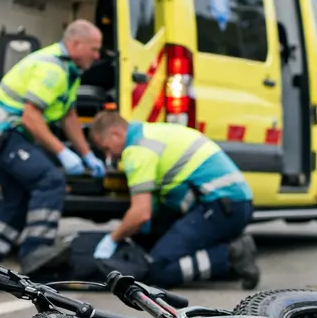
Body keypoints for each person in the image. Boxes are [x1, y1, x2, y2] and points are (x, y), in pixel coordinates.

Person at [0, 20, 106, 299]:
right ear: (75, 44)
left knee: (16, 200)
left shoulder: (69, 71)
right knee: (50, 180)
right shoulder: (52, 68)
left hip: (4, 135)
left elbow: (68, 116)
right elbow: (31, 117)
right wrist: (62, 152)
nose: (97, 55)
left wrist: (86, 154)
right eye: (94, 49)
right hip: (3, 132)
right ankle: (37, 257)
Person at [86, 111, 260, 290]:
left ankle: (230, 255)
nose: (109, 156)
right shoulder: (149, 133)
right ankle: (222, 261)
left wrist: (113, 239)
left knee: (157, 269)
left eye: (106, 149)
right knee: (160, 247)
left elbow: (141, 214)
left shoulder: (138, 150)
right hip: (230, 204)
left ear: (116, 134)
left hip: (221, 207)